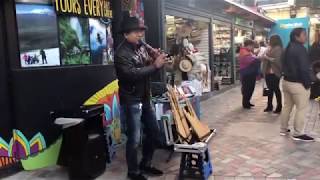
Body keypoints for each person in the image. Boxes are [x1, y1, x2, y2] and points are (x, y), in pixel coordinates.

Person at [114, 16, 167, 180]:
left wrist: (157, 59)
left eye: (141, 31)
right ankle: (133, 172)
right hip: (131, 100)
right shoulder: (121, 53)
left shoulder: (141, 48)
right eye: (136, 32)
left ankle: (146, 163)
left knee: (154, 132)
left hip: (145, 97)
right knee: (134, 138)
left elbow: (149, 71)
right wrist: (154, 65)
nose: (140, 35)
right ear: (126, 34)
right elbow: (131, 75)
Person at [280, 28, 314, 142]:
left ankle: (283, 129)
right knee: (302, 108)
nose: (306, 37)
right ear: (296, 36)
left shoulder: (287, 48)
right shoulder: (300, 49)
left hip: (286, 82)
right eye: (304, 35)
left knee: (287, 106)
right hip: (298, 84)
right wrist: (308, 83)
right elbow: (304, 69)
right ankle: (299, 133)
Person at [261, 35, 283, 113]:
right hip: (268, 72)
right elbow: (263, 57)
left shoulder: (278, 49)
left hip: (275, 72)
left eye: (270, 39)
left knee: (276, 89)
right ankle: (269, 106)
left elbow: (277, 61)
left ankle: (279, 106)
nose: (269, 40)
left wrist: (267, 57)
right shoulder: (270, 48)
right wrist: (265, 56)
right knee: (270, 90)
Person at [239, 39, 261, 109]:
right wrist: (258, 58)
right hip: (247, 73)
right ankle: (245, 103)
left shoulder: (248, 51)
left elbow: (254, 58)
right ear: (248, 45)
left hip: (250, 73)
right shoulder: (244, 52)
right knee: (247, 89)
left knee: (250, 88)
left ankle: (247, 102)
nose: (252, 48)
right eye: (252, 46)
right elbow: (253, 60)